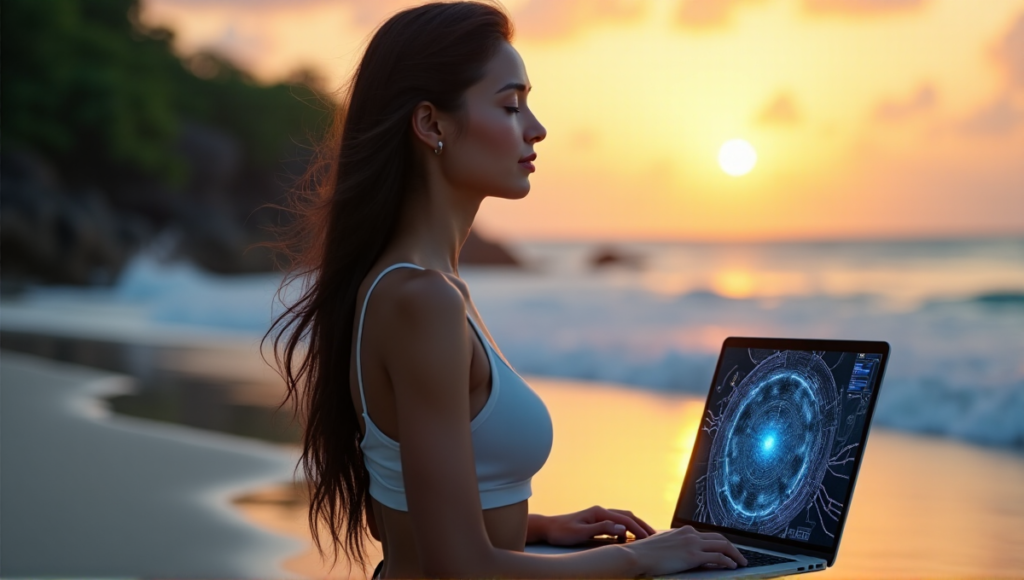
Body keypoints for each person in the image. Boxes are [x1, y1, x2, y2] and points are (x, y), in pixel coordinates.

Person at [265, 2, 748, 577]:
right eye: (511, 105)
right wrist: (635, 558)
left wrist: (541, 527)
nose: (536, 128)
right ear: (432, 124)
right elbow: (460, 568)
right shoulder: (423, 301)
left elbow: (391, 513)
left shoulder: (415, 287)